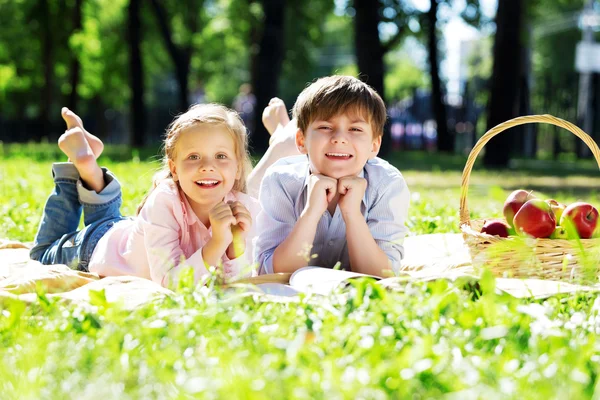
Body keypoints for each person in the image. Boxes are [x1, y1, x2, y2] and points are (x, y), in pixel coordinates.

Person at [30, 104, 260, 287]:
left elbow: (236, 284)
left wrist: (234, 245)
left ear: (238, 167)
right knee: (41, 253)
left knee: (106, 221)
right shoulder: (164, 201)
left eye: (221, 156)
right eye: (193, 157)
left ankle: (88, 162)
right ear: (174, 169)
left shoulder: (243, 207)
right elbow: (170, 283)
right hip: (94, 250)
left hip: (125, 233)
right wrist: (218, 242)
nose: (208, 166)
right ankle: (73, 171)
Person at [254, 76, 410, 277]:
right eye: (325, 127)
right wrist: (310, 212)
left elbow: (383, 275)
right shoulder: (280, 180)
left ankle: (282, 131)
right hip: (282, 166)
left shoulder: (387, 184)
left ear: (374, 145)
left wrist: (353, 215)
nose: (339, 139)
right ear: (301, 141)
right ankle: (282, 136)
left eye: (355, 129)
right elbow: (273, 273)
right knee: (242, 189)